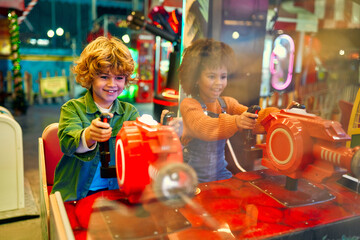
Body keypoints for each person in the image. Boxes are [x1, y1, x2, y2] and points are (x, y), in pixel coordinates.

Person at [177, 38, 280, 183]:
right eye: (211, 76)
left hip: (220, 174)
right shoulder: (189, 105)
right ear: (196, 79)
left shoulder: (227, 104)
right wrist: (237, 121)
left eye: (223, 76)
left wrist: (277, 117)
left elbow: (254, 118)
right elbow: (203, 127)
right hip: (193, 178)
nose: (219, 83)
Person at [51, 36, 140, 202]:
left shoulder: (130, 112)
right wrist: (90, 135)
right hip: (79, 193)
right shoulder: (72, 108)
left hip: (117, 190)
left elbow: (138, 152)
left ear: (126, 79)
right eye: (104, 77)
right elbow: (67, 144)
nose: (112, 84)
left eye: (119, 77)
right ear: (90, 76)